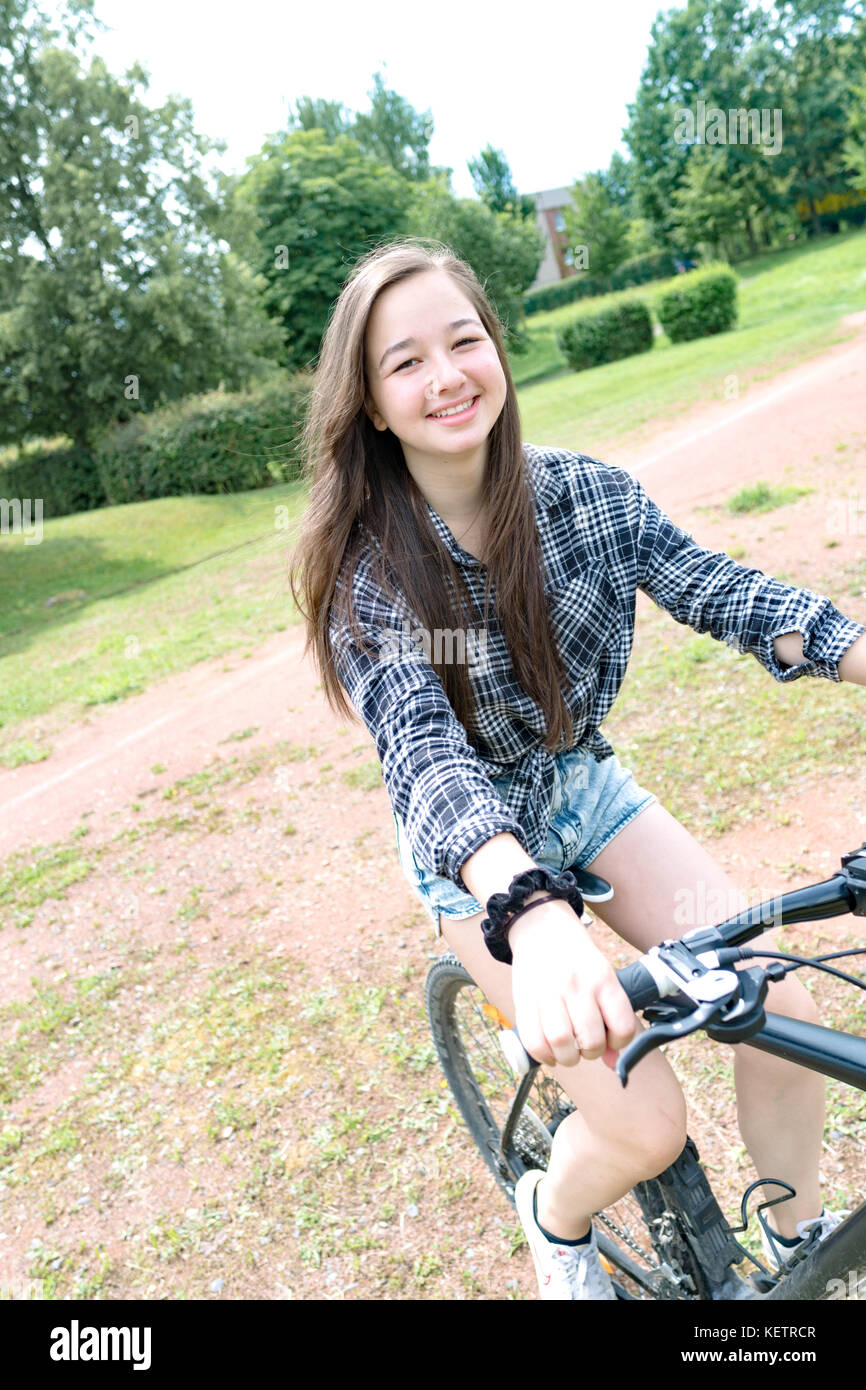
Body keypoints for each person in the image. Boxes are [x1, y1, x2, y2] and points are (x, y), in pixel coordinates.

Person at [289, 236, 866, 1300]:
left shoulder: (586, 500)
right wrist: (535, 918)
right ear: (369, 402)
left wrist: (852, 649)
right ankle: (553, 1220)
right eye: (403, 361)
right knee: (643, 1124)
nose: (445, 373)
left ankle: (793, 1248)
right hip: (475, 861)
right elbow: (425, 760)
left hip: (581, 790)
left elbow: (721, 591)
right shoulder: (368, 579)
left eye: (463, 340)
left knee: (774, 1002)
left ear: (496, 351)